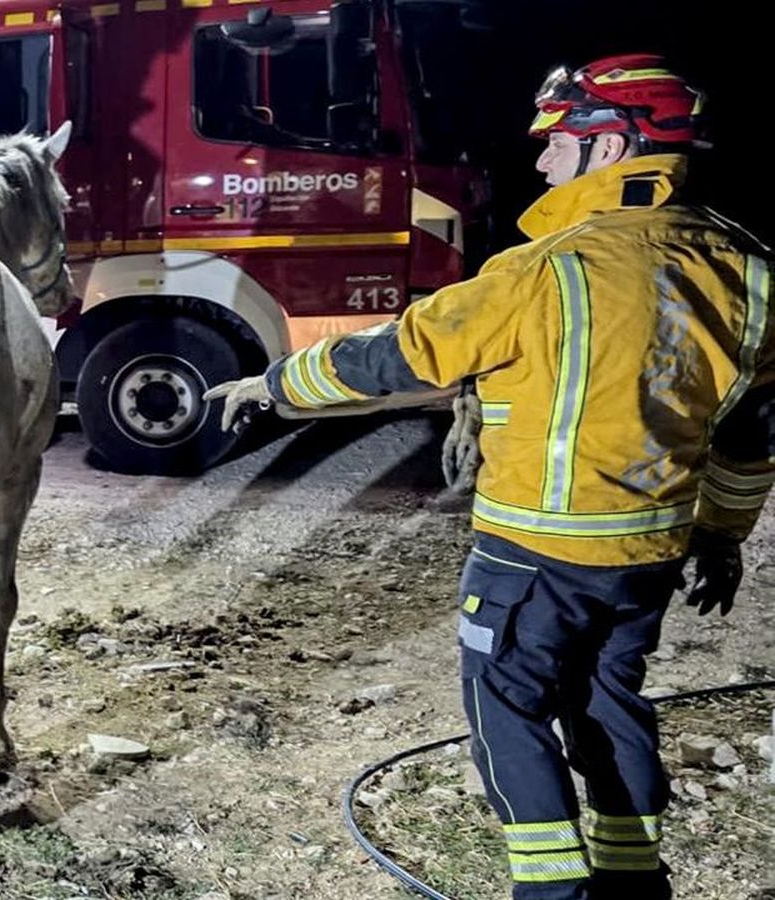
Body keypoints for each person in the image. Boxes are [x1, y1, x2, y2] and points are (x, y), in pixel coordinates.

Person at [206, 54, 770, 898]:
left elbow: (395, 355)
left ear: (610, 147)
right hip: (649, 551)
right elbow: (752, 435)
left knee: (508, 710)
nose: (541, 161)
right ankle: (632, 881)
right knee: (609, 705)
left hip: (533, 552)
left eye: (557, 142)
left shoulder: (545, 271)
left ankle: (548, 890)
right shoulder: (747, 270)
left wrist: (275, 384)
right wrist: (723, 537)